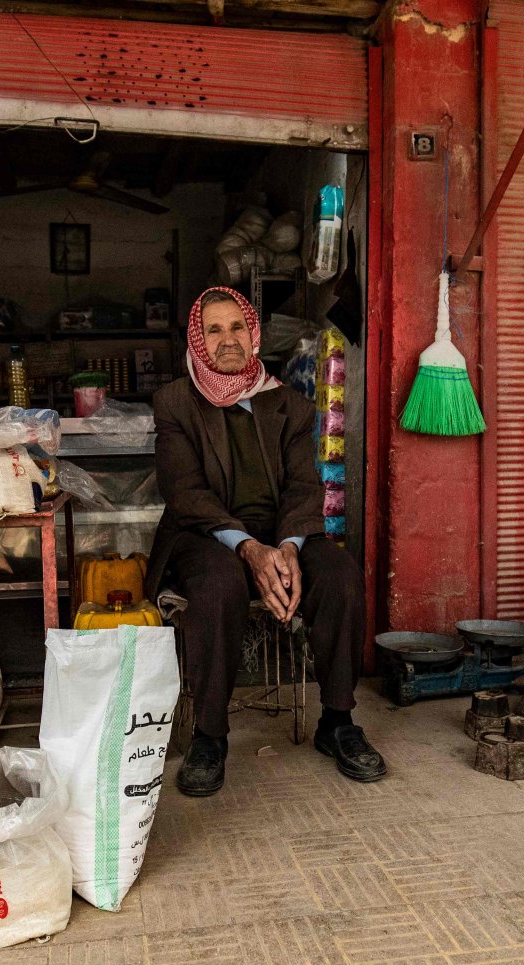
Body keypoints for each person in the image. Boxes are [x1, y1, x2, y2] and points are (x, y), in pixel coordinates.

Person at [146, 286, 385, 797]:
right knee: (217, 585)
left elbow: (304, 486)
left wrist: (290, 550)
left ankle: (337, 721)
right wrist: (249, 549)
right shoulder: (174, 402)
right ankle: (211, 735)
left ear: (253, 334)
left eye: (237, 327)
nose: (227, 339)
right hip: (205, 534)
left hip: (282, 532)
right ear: (198, 340)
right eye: (214, 330)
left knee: (341, 576)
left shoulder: (290, 405)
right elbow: (185, 493)